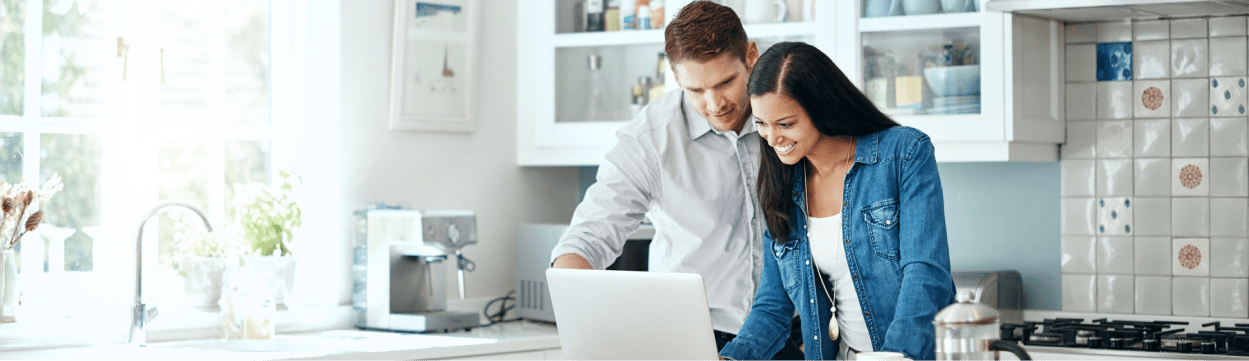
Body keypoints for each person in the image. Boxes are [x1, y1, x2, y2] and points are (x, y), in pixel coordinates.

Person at [549, 1, 803, 358]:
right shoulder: (650, 138)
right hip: (696, 338)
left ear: (751, 56)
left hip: (796, 333)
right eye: (696, 91)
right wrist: (579, 313)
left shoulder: (790, 118)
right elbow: (590, 236)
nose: (715, 104)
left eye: (725, 82)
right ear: (675, 76)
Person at [718, 42, 957, 361]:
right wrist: (731, 357)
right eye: (761, 124)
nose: (772, 139)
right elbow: (772, 307)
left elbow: (926, 275)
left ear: (821, 107)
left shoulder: (904, 153)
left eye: (785, 124)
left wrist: (893, 357)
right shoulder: (785, 186)